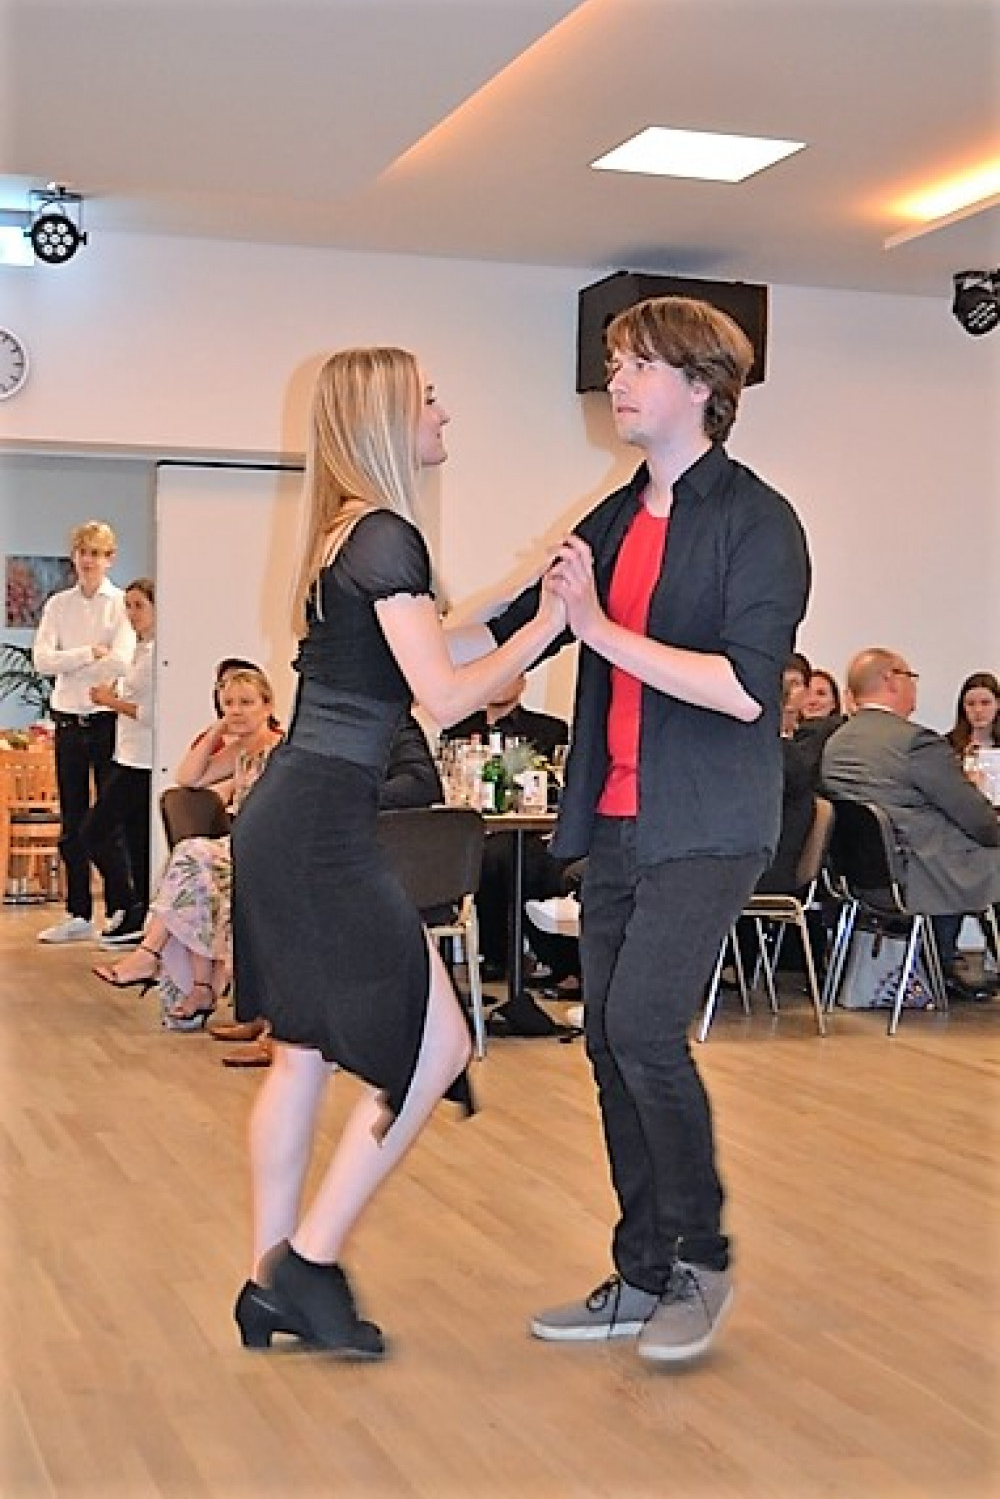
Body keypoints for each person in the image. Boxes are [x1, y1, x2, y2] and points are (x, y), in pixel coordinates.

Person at [458, 296, 810, 1363]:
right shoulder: (614, 516)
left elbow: (744, 690)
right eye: (614, 362)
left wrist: (601, 627)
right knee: (609, 1038)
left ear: (703, 386)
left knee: (645, 1027)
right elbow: (520, 622)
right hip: (613, 820)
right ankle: (644, 1268)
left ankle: (701, 1257)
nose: (615, 380)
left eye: (639, 363)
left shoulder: (759, 522)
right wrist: (389, 625)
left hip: (707, 819)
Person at [228, 346, 564, 1357]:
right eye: (428, 398)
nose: (442, 413)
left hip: (295, 819)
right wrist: (550, 624)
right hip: (321, 829)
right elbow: (448, 696)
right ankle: (309, 1262)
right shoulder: (386, 533)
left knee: (301, 1055)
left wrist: (522, 593)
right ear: (383, 416)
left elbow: (432, 640)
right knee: (438, 1048)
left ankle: (267, 1282)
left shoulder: (345, 534)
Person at [211, 711, 445, 1067]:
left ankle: (287, 1032)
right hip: (323, 842)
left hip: (362, 858)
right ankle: (261, 1013)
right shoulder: (324, 725)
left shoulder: (393, 723)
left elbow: (422, 784)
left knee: (290, 900)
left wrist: (351, 796)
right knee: (257, 879)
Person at [92, 667, 283, 1027]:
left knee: (192, 857)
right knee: (194, 874)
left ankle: (151, 955)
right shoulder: (239, 750)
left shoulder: (281, 749)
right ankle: (199, 987)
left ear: (267, 705)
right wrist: (217, 731)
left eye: (246, 703)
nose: (236, 711)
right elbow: (188, 777)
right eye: (228, 704)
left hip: (272, 849)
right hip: (241, 846)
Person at [821, 648, 1000, 986]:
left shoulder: (836, 743)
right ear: (891, 680)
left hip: (862, 878)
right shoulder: (914, 742)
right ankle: (946, 966)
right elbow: (975, 817)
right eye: (910, 676)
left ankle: (944, 965)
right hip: (920, 873)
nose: (914, 685)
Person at [33, 520, 135, 943]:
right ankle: (77, 913)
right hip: (68, 722)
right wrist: (88, 653)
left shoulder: (122, 604)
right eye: (82, 553)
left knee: (109, 819)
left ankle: (121, 908)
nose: (88, 561)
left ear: (109, 558)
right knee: (72, 819)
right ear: (74, 556)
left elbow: (122, 661)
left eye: (96, 553)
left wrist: (71, 662)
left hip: (107, 721)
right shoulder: (58, 605)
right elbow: (42, 660)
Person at [444, 674, 572, 985]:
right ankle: (496, 957)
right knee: (485, 855)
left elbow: (556, 786)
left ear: (523, 681)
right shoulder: (458, 730)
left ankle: (549, 959)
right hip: (477, 830)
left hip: (532, 831)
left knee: (521, 860)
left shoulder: (549, 729)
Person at [81, 579, 156, 948]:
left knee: (94, 831)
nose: (132, 613)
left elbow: (152, 713)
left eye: (139, 605)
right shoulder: (139, 651)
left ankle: (130, 903)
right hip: (125, 754)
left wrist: (110, 701)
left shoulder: (159, 655)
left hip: (143, 761)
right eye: (128, 605)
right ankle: (137, 910)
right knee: (134, 839)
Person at [946, 671, 1000, 763]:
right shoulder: (946, 745)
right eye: (971, 704)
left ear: (998, 704)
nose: (978, 710)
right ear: (963, 707)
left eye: (985, 703)